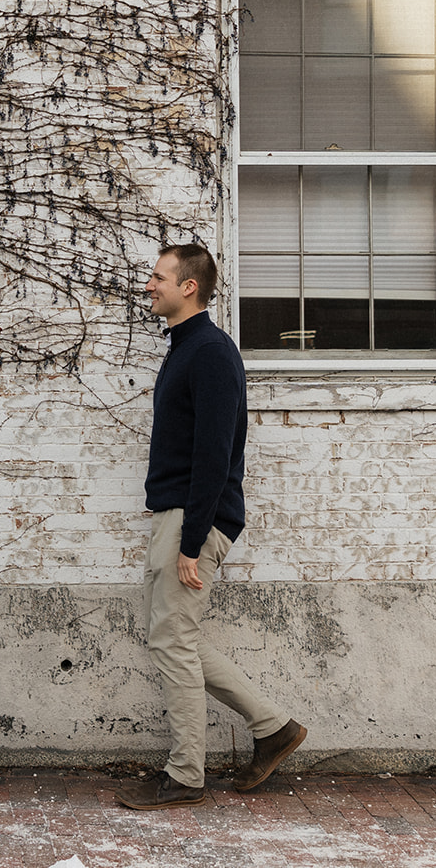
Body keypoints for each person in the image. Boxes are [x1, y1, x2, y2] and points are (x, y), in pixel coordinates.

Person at [116, 244, 306, 811]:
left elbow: (214, 453)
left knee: (172, 641)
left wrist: (193, 539)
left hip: (190, 519)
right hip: (179, 516)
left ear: (189, 286)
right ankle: (272, 728)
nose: (149, 285)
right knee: (179, 638)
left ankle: (184, 776)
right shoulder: (187, 349)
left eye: (158, 277)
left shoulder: (209, 352)